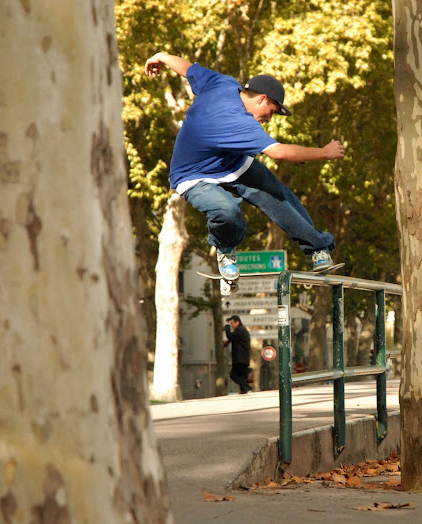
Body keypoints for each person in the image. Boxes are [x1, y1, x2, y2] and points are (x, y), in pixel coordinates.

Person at [144, 52, 346, 279]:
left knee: (278, 196)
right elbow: (279, 152)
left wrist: (161, 56)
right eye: (271, 112)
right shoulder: (240, 123)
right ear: (262, 99)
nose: (269, 120)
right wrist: (324, 153)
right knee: (226, 210)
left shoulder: (224, 83)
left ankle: (318, 248)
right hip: (193, 176)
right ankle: (226, 248)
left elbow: (188, 69)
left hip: (234, 163)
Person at [224, 315, 252, 394]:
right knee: (241, 376)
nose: (231, 325)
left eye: (232, 323)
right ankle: (244, 390)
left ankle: (247, 387)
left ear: (237, 322)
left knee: (233, 375)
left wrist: (227, 329)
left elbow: (231, 336)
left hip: (240, 359)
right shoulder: (241, 330)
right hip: (242, 358)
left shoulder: (240, 330)